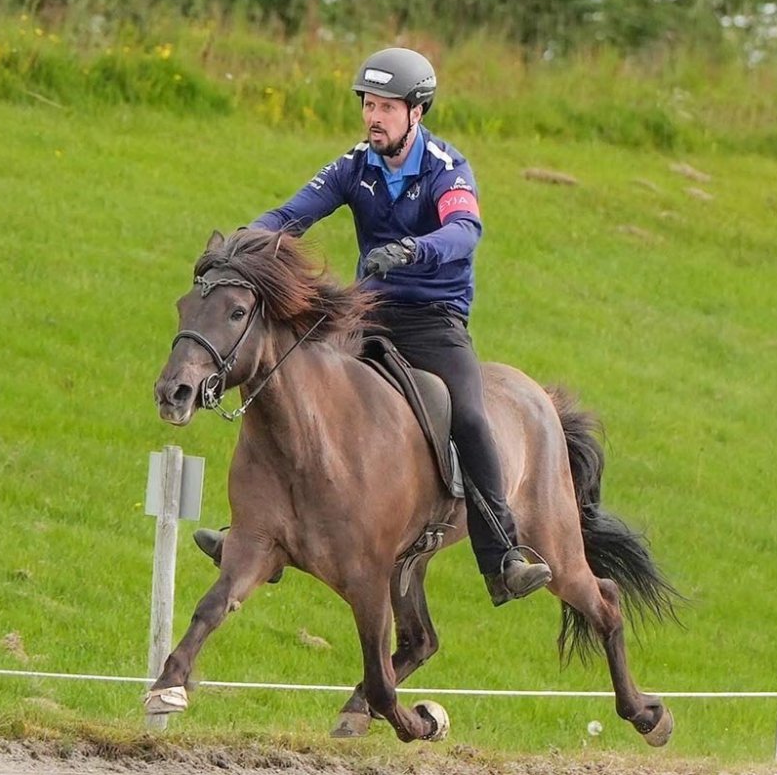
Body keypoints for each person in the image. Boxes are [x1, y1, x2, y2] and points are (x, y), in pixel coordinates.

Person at [194, 47, 551, 606]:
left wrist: (414, 250)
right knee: (289, 379)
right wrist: (242, 243)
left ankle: (502, 555)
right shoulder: (352, 167)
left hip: (435, 319)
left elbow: (464, 232)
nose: (372, 117)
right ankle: (255, 532)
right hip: (370, 313)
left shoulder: (446, 168)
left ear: (417, 111)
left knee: (472, 416)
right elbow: (291, 215)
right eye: (368, 104)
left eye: (385, 107)